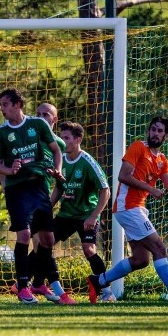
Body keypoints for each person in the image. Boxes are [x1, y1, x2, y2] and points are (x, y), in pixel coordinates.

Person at [87, 116, 168, 305]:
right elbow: (123, 176)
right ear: (148, 131)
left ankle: (98, 280)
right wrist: (150, 189)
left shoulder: (161, 160)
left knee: (141, 260)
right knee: (159, 248)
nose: (155, 133)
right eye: (153, 129)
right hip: (128, 207)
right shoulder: (138, 147)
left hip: (137, 209)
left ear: (166, 136)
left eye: (160, 131)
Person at [0, 88, 64, 305]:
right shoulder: (1, 133)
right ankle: (22, 287)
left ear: (17, 104)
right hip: (17, 189)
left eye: (5, 104)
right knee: (24, 235)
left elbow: (56, 151)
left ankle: (39, 283)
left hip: (39, 186)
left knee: (48, 239)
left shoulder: (38, 125)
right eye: (0, 105)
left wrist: (58, 170)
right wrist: (9, 170)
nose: (2, 108)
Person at [9, 102, 73, 303]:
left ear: (55, 119)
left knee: (45, 242)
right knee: (35, 240)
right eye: (37, 113)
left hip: (43, 198)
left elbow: (59, 180)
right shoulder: (28, 137)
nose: (41, 117)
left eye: (46, 114)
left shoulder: (59, 146)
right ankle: (49, 289)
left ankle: (33, 284)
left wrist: (52, 199)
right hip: (26, 195)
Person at [48, 121, 112, 303]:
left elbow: (105, 190)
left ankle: (107, 292)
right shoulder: (61, 160)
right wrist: (48, 207)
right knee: (45, 243)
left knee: (89, 249)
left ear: (77, 139)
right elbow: (59, 188)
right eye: (61, 137)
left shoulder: (87, 162)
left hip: (86, 215)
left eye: (66, 138)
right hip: (66, 214)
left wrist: (94, 216)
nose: (63, 141)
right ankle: (32, 284)